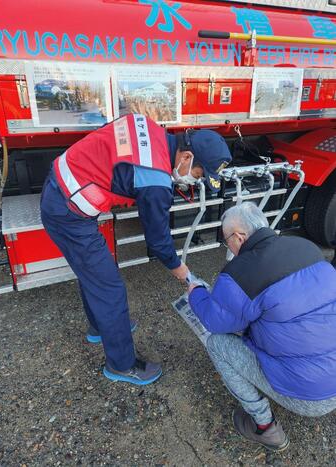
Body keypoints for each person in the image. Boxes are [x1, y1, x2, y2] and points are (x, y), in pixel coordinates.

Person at [40, 113, 232, 386]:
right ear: (186, 157)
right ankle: (122, 364)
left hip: (63, 186)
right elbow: (158, 240)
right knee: (110, 288)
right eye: (199, 174)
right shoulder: (156, 182)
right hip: (68, 211)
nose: (193, 180)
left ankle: (101, 327)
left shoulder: (148, 126)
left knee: (94, 274)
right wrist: (179, 268)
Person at [188, 202, 336, 451]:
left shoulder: (240, 273)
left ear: (239, 236)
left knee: (217, 343)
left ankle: (265, 427)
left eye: (228, 242)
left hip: (312, 396)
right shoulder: (307, 248)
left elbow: (214, 321)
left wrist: (197, 293)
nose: (230, 249)